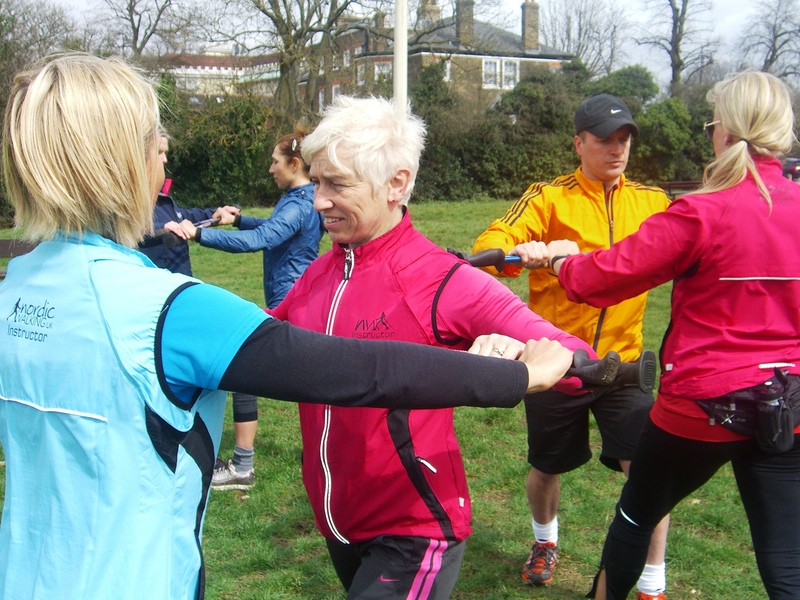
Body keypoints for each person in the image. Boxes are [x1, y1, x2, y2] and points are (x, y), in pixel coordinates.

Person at [0, 52, 581, 600]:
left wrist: (550, 364)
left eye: (337, 184)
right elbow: (348, 368)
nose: (166, 156)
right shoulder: (179, 308)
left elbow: (565, 353)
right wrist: (507, 379)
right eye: (157, 147)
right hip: (160, 572)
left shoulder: (16, 289)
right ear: (119, 164)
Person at [268, 95, 607, 600]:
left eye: (337, 184)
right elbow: (261, 347)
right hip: (339, 521)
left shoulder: (442, 279)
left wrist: (527, 357)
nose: (318, 200)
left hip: (413, 528)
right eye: (317, 182)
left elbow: (566, 349)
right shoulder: (320, 274)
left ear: (396, 184)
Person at [549, 71, 800, 600]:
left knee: (636, 515)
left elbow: (603, 277)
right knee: (786, 555)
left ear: (724, 132)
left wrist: (562, 261)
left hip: (703, 404)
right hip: (788, 401)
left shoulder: (703, 211)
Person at [472, 94, 671, 598]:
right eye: (604, 139)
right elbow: (487, 244)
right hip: (558, 363)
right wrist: (522, 252)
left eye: (624, 138)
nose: (617, 148)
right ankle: (545, 541)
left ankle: (652, 581)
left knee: (649, 471)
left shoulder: (652, 201)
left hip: (623, 365)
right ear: (579, 143)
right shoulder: (548, 197)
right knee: (546, 468)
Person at [180, 127, 323, 491]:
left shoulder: (298, 202)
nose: (270, 168)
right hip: (294, 304)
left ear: (294, 163)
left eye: (275, 162)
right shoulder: (304, 199)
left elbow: (263, 239)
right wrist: (238, 219)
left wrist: (200, 235)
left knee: (243, 369)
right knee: (313, 384)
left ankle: (243, 468)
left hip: (291, 306)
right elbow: (275, 228)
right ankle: (331, 455)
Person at [138, 133, 239, 276]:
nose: (165, 159)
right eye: (160, 152)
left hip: (179, 281)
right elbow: (127, 231)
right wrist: (161, 230)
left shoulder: (161, 196)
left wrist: (213, 214)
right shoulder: (132, 199)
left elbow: (180, 216)